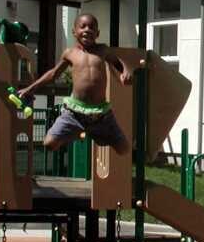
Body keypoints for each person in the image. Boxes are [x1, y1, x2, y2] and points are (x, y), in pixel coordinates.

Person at [18, 13, 132, 155]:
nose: (87, 30)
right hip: (74, 113)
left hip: (101, 115)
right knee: (49, 144)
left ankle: (94, 133)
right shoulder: (69, 53)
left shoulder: (102, 50)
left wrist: (125, 71)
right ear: (74, 32)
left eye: (92, 27)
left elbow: (118, 62)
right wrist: (30, 88)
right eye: (82, 26)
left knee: (124, 149)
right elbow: (53, 74)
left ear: (97, 33)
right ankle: (77, 132)